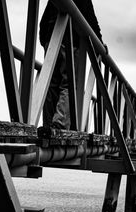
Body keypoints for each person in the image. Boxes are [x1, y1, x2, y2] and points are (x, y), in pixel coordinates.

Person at [39, 0, 104, 130]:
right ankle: (59, 124)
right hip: (72, 42)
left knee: (50, 84)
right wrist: (100, 45)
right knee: (68, 84)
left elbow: (44, 21)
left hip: (52, 39)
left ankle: (48, 125)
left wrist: (45, 40)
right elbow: (91, 20)